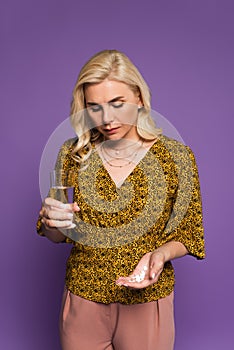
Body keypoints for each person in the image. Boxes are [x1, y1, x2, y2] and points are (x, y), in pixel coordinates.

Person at [37, 49, 205, 350]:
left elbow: (189, 233)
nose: (107, 118)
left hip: (147, 300)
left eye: (118, 104)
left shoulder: (176, 157)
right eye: (95, 107)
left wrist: (160, 255)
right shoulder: (72, 154)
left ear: (139, 98)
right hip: (83, 296)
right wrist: (51, 222)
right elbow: (58, 234)